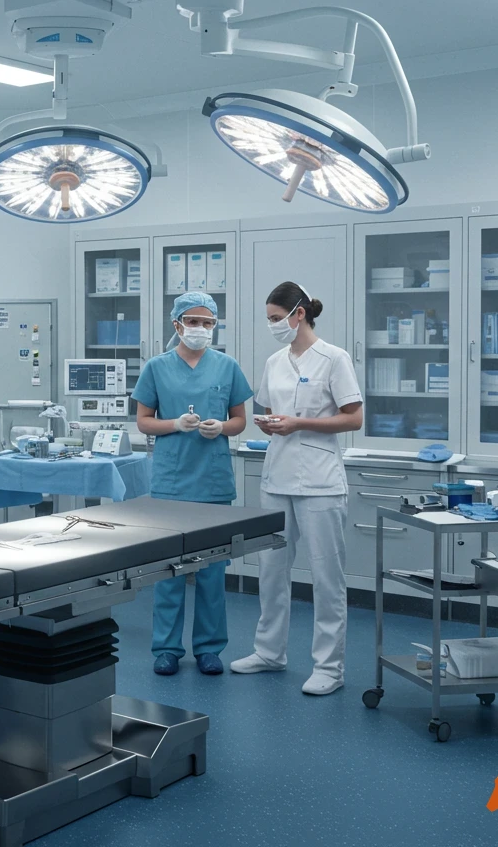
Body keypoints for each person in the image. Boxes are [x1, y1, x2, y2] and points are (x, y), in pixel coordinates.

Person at [230, 282, 363, 696]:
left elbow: (353, 418)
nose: (272, 326)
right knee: (271, 573)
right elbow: (270, 412)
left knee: (326, 578)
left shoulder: (334, 358)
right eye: (269, 319)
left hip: (320, 483)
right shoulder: (274, 361)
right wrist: (270, 423)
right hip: (277, 478)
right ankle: (270, 652)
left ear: (299, 314)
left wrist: (300, 423)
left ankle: (329, 667)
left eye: (275, 318)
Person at [133, 292, 251, 677]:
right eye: (193, 321)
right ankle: (167, 648)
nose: (200, 329)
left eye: (208, 323)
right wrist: (173, 425)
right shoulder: (156, 367)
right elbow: (144, 421)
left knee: (212, 571)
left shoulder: (227, 366)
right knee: (168, 571)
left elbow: (239, 421)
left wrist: (222, 428)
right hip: (171, 480)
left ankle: (209, 648)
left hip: (213, 481)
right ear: (176, 324)